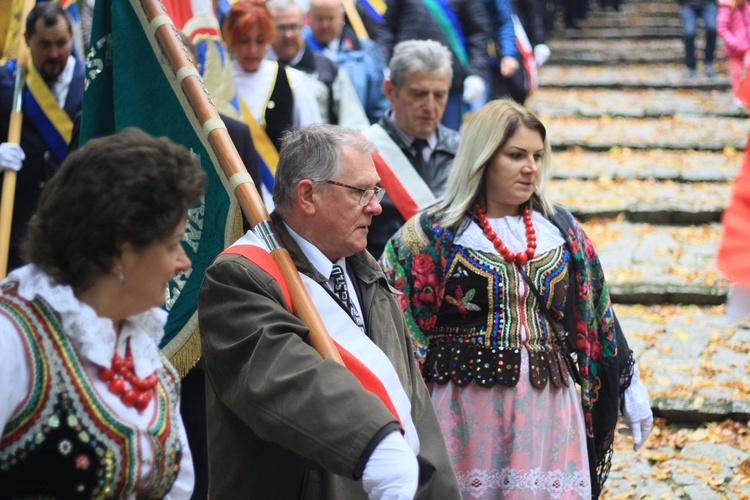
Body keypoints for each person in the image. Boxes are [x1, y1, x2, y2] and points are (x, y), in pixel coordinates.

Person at [379, 100, 653, 498]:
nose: (531, 168)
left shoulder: (561, 229)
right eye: (516, 155)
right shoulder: (432, 234)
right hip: (464, 413)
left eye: (538, 156)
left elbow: (595, 312)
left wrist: (628, 383)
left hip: (549, 410)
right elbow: (394, 324)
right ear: (483, 158)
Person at [198, 124, 461, 498]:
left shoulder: (365, 270)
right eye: (361, 192)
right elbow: (287, 381)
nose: (376, 205)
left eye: (376, 190)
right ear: (308, 195)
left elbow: (414, 409)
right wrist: (379, 446)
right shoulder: (239, 278)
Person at [0, 128, 203, 497]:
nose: (183, 263)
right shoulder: (13, 339)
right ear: (119, 251)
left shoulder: (147, 360)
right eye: (172, 245)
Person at [0, 2, 85, 272]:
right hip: (15, 235)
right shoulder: (6, 82)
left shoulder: (92, 84)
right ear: (27, 40)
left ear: (72, 36)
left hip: (75, 234)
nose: (54, 53)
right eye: (44, 45)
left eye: (61, 43)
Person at [362, 40, 460, 260]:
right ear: (390, 91)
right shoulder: (360, 154)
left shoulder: (464, 152)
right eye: (418, 94)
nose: (430, 106)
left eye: (439, 95)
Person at [222, 0, 322, 205]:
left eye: (259, 41)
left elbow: (314, 144)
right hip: (232, 198)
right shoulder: (217, 83)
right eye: (243, 41)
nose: (252, 49)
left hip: (282, 202)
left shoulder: (293, 80)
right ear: (230, 40)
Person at [376, 0, 490, 131]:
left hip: (449, 88)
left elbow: (477, 34)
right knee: (403, 137)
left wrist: (476, 73)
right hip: (407, 84)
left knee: (448, 142)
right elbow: (387, 29)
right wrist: (384, 64)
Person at [267, 0, 370, 130]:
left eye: (294, 27)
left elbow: (355, 124)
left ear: (303, 24)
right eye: (281, 28)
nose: (288, 35)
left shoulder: (328, 69)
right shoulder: (259, 68)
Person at [306, 0, 391, 124]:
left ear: (341, 16)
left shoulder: (366, 51)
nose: (325, 25)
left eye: (330, 18)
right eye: (319, 18)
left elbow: (380, 104)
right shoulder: (299, 51)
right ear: (309, 17)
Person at [717, 0, 750, 105]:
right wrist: (734, 42)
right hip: (733, 47)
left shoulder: (746, 6)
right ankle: (737, 96)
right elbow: (722, 28)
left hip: (747, 44)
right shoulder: (726, 8)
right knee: (736, 73)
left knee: (748, 65)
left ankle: (746, 94)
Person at [679, 0, 718, 77]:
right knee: (689, 33)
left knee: (712, 28)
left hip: (709, 3)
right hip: (688, 4)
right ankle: (690, 66)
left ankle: (709, 61)